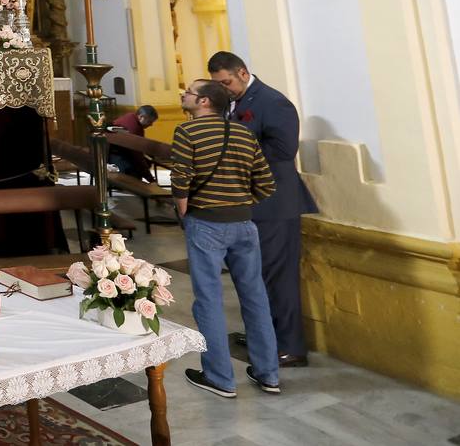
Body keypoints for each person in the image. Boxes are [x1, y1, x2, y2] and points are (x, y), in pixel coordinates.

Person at [208, 51, 318, 368]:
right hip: (250, 204)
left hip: (276, 204)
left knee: (278, 277)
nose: (223, 89)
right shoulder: (234, 103)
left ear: (242, 72)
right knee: (254, 275)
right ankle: (265, 333)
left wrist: (234, 148)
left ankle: (290, 346)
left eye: (226, 82)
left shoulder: (273, 102)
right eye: (218, 84)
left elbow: (284, 150)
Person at [171, 79, 280, 398]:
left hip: (206, 224)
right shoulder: (245, 133)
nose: (184, 95)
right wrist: (237, 203)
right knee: (255, 297)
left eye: (189, 92)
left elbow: (181, 181)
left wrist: (184, 214)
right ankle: (268, 374)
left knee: (209, 299)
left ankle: (220, 377)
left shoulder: (187, 132)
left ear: (204, 102)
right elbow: (265, 183)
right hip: (244, 224)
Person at [108, 104, 159, 181]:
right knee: (140, 164)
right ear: (141, 117)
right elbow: (137, 154)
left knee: (147, 162)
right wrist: (150, 179)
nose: (151, 124)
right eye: (150, 121)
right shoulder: (133, 127)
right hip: (116, 155)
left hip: (118, 153)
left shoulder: (132, 118)